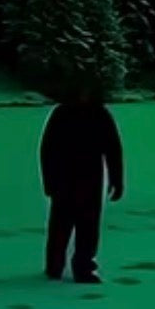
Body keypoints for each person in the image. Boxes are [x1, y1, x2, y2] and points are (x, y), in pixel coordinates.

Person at [39, 86, 125, 283]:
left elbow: (113, 149)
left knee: (88, 227)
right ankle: (54, 266)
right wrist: (49, 181)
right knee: (60, 227)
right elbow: (47, 150)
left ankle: (84, 268)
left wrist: (117, 179)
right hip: (64, 179)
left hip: (91, 179)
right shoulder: (61, 114)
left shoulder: (100, 114)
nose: (83, 95)